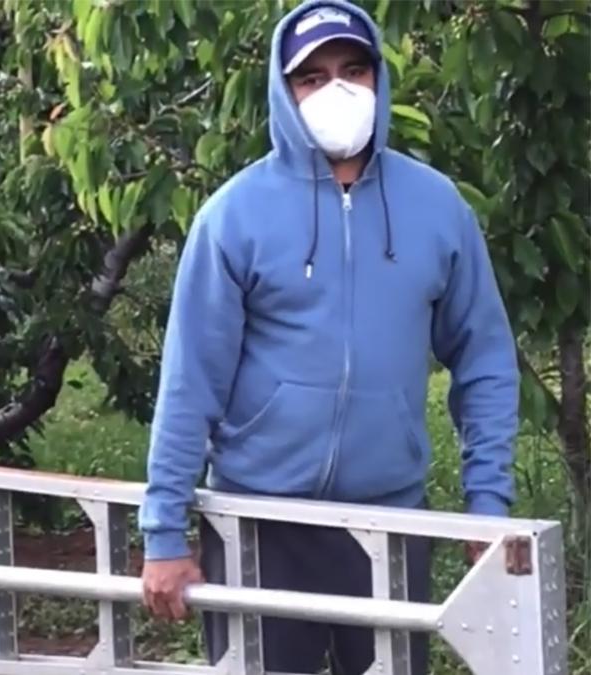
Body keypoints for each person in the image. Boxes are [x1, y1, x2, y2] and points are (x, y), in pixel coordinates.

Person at [138, 1, 518, 673]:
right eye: (311, 77)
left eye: (352, 69)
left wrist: (486, 503)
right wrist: (164, 529)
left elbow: (484, 357)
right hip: (259, 522)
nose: (335, 89)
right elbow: (189, 378)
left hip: (391, 521)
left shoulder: (437, 208)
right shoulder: (234, 216)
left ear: (379, 79)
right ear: (284, 93)